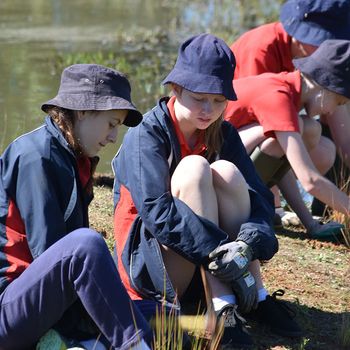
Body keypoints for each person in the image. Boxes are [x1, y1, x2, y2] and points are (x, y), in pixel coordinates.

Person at [112, 33, 302, 349]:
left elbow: (261, 199)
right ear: (176, 89)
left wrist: (247, 245)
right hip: (151, 270)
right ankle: (223, 311)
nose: (208, 109)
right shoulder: (147, 133)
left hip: (202, 264)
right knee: (195, 168)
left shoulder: (223, 133)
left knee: (227, 171)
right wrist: (219, 250)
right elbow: (158, 215)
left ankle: (257, 296)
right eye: (200, 97)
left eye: (218, 100)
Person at [0, 64, 152, 350]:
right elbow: (55, 257)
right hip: (9, 309)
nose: (112, 137)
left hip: (40, 302)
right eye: (111, 123)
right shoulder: (36, 158)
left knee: (160, 314)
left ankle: (92, 340)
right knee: (85, 244)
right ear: (82, 111)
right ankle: (134, 346)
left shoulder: (75, 157)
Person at [230, 0, 350, 226]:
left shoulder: (298, 85)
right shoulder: (277, 93)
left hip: (246, 148)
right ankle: (261, 206)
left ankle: (270, 205)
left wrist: (311, 224)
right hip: (214, 161)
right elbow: (310, 181)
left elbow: (284, 164)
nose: (335, 110)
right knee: (283, 134)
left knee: (310, 130)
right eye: (339, 102)